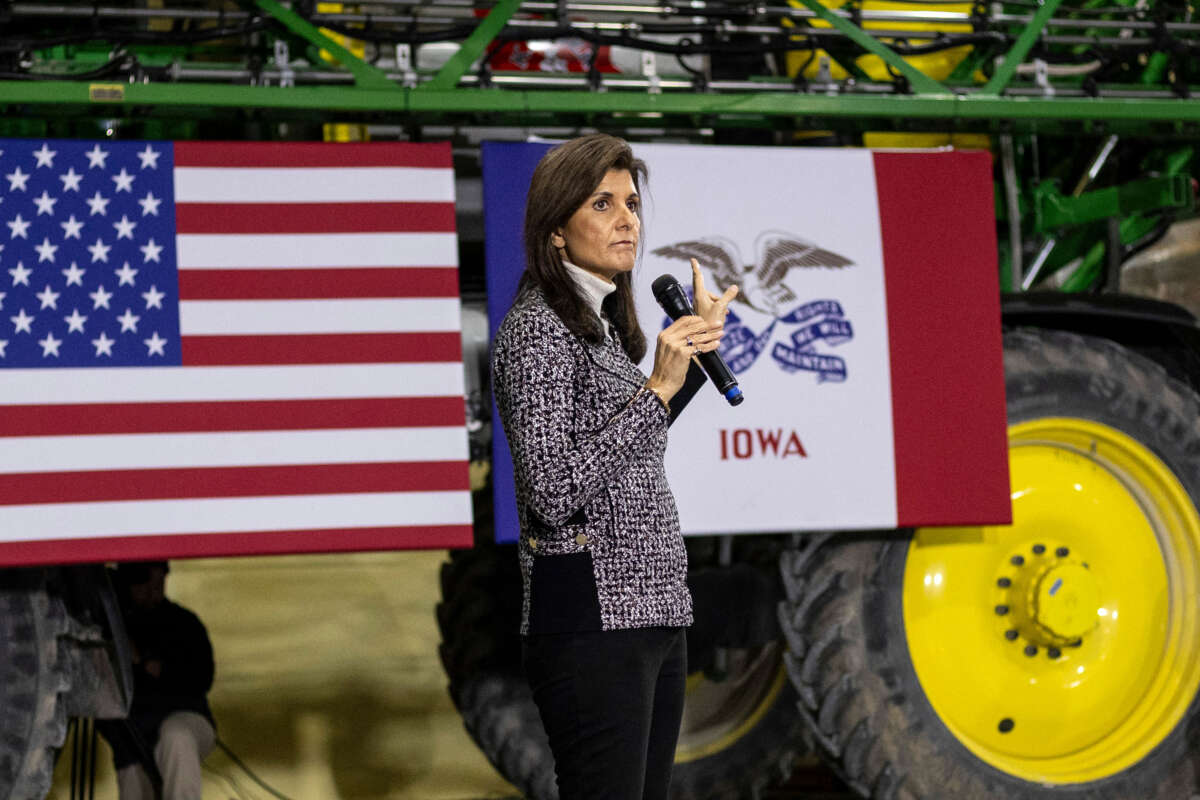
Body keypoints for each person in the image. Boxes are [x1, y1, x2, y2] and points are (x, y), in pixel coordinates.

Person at [491, 133, 737, 799]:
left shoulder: (596, 327)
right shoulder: (536, 331)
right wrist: (654, 389)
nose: (627, 217)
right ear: (558, 232)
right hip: (590, 616)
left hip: (651, 610)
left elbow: (627, 450)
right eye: (602, 203)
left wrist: (684, 370)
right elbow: (551, 487)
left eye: (631, 201)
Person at [98, 561, 216, 800]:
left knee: (177, 737)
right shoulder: (114, 628)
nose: (153, 590)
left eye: (158, 582)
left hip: (184, 720)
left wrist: (154, 667)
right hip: (133, 739)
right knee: (132, 775)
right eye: (144, 583)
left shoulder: (184, 623)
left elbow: (202, 677)